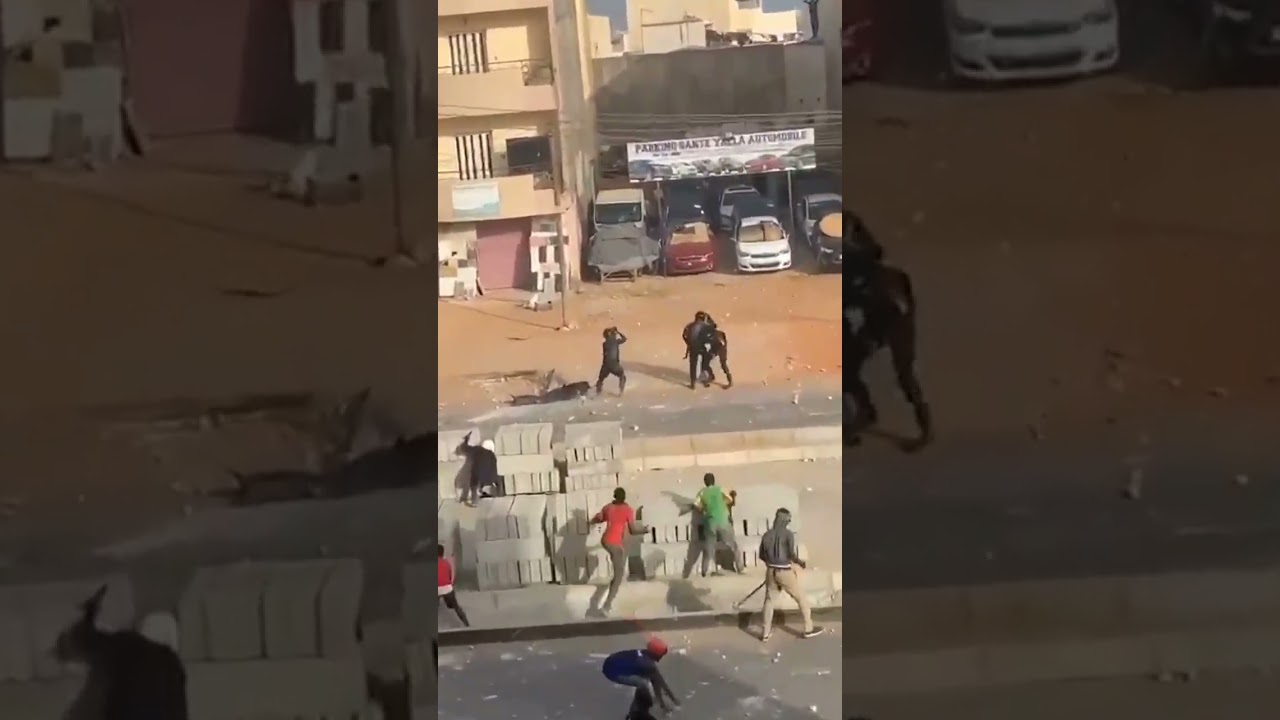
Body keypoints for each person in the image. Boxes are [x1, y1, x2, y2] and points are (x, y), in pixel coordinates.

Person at [845, 210, 932, 451]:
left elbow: (898, 310)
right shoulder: (856, 273)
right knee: (847, 363)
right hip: (877, 319)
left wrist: (871, 335)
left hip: (893, 324)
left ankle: (925, 429)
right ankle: (864, 413)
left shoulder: (882, 280)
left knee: (904, 373)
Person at [757, 507, 823, 641]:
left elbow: (761, 555)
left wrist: (771, 565)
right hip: (785, 571)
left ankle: (765, 633)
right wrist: (800, 562)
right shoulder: (788, 534)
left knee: (769, 601)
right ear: (786, 520)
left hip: (771, 570)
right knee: (801, 599)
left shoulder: (766, 535)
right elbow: (790, 554)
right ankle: (808, 628)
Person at [590, 487, 647, 614]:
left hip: (606, 540)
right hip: (615, 543)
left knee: (618, 573)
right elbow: (633, 530)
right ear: (624, 497)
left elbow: (599, 518)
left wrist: (591, 521)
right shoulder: (628, 510)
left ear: (614, 496)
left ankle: (607, 600)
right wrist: (644, 530)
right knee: (619, 575)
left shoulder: (608, 507)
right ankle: (606, 606)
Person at [602, 636, 681, 718]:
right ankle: (636, 708)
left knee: (648, 676)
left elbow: (659, 679)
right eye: (662, 655)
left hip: (611, 661)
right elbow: (658, 684)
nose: (662, 657)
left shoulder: (645, 653)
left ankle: (648, 699)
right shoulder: (648, 665)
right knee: (643, 683)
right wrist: (664, 706)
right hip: (612, 672)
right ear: (657, 655)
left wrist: (673, 698)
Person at [694, 473, 741, 576]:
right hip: (723, 521)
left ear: (705, 482)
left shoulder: (702, 492)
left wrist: (705, 508)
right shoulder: (720, 489)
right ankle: (740, 567)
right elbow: (730, 500)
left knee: (709, 547)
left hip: (711, 522)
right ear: (714, 481)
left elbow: (697, 505)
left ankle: (704, 570)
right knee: (733, 545)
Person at [458, 433, 500, 506]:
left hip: (476, 478)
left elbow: (464, 448)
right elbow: (494, 471)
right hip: (487, 481)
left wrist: (466, 439)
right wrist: (496, 483)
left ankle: (473, 500)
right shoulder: (492, 456)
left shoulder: (477, 450)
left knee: (473, 483)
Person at [681, 311, 715, 389]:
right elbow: (713, 331)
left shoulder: (689, 326)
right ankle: (706, 380)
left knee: (693, 365)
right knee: (705, 364)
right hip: (703, 347)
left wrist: (688, 343)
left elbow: (684, 335)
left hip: (693, 347)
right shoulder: (706, 326)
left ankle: (693, 383)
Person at [438, 544, 470, 627]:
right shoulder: (446, 563)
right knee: (456, 607)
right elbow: (449, 577)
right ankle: (467, 624)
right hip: (447, 588)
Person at [697, 323, 733, 388]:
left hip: (720, 350)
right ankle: (711, 376)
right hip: (716, 348)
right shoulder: (719, 333)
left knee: (723, 364)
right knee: (706, 362)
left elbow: (721, 343)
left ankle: (730, 381)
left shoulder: (714, 335)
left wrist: (714, 352)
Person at [598, 326, 628, 396]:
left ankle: (598, 393)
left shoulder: (604, 344)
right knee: (622, 376)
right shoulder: (615, 341)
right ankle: (621, 393)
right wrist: (618, 332)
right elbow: (624, 338)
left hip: (605, 365)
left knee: (600, 380)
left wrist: (613, 332)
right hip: (614, 364)